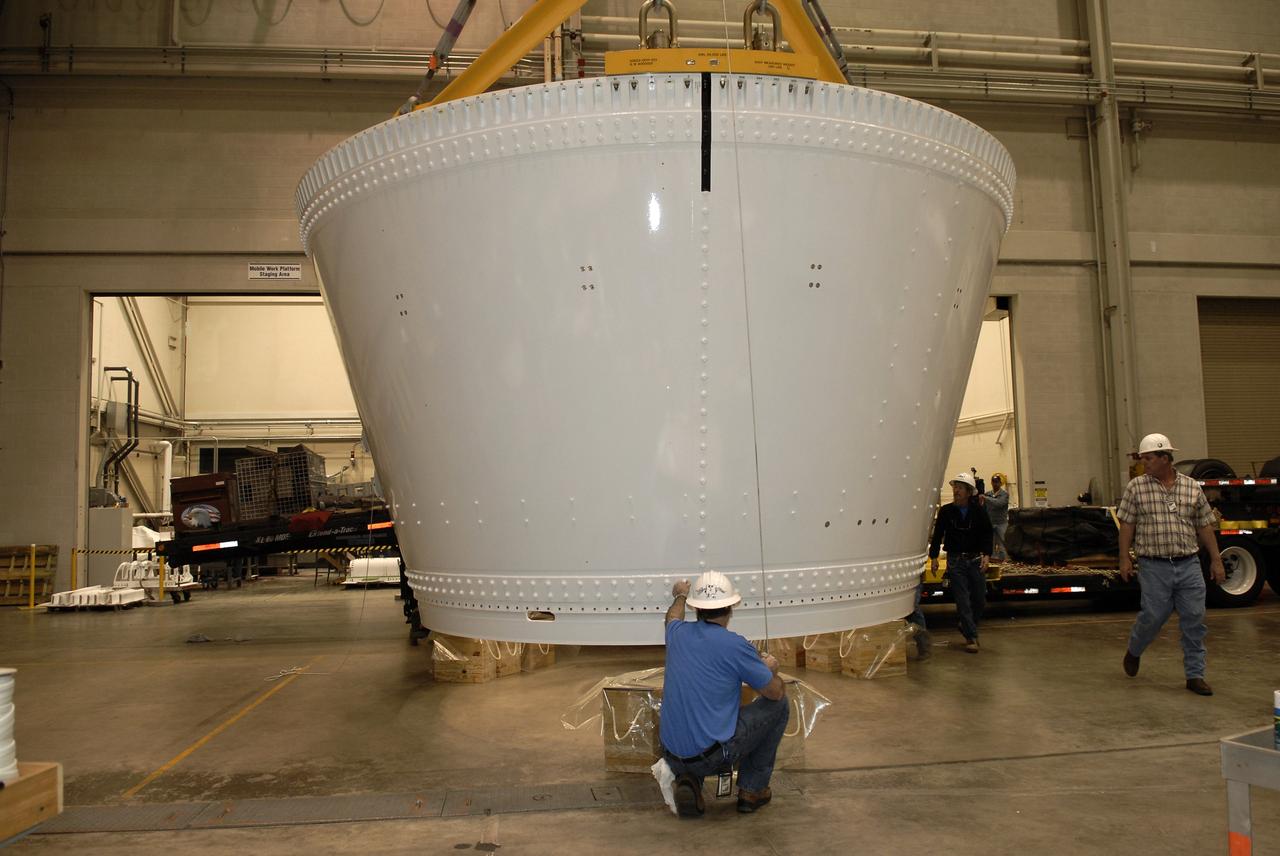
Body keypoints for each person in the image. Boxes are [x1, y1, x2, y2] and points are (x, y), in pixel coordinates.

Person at [660, 571, 788, 818]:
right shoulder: (734, 645)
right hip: (711, 756)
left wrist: (680, 595)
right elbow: (774, 693)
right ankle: (753, 790)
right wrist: (769, 670)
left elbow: (672, 617)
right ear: (730, 608)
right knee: (780, 705)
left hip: (671, 753)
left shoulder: (677, 634)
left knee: (701, 722)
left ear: (696, 608)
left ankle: (690, 780)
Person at [1117, 433, 1225, 696]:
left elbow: (1204, 525)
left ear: (1165, 458)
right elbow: (1127, 525)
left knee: (1194, 619)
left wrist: (1216, 559)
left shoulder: (1191, 487)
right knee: (1153, 616)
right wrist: (1124, 559)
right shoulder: (1136, 488)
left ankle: (1195, 675)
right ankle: (1135, 649)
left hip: (1188, 564)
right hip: (1154, 565)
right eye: (1142, 459)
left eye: (1149, 458)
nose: (1145, 463)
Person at [928, 472, 994, 653]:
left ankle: (966, 625)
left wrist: (987, 555)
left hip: (975, 560)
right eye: (955, 487)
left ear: (969, 491)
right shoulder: (946, 512)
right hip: (956, 561)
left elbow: (988, 533)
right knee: (963, 600)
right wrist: (934, 557)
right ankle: (971, 637)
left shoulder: (978, 512)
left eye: (960, 488)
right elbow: (938, 535)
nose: (956, 490)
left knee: (979, 599)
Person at [984, 473, 1011, 561]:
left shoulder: (1004, 494)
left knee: (1003, 543)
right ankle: (992, 560)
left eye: (997, 482)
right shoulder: (987, 494)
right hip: (990, 523)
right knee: (990, 543)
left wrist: (986, 498)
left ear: (1000, 483)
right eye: (994, 482)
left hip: (1001, 523)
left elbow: (999, 503)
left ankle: (1005, 561)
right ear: (991, 483)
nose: (995, 484)